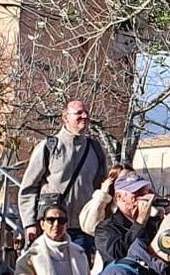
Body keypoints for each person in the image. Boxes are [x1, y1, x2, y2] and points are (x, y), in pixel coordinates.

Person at [18, 100, 110, 235]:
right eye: (79, 113)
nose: (84, 116)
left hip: (84, 229)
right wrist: (30, 224)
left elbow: (102, 188)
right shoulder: (49, 147)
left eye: (86, 113)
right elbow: (29, 187)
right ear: (65, 118)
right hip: (51, 227)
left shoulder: (95, 149)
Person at [11, 204, 92, 275]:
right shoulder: (31, 256)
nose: (56, 224)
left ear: (66, 224)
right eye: (51, 220)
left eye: (61, 220)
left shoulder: (80, 253)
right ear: (42, 224)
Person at [93, 172, 162, 275]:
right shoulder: (105, 228)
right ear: (119, 197)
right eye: (138, 194)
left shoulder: (154, 224)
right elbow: (117, 256)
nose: (145, 198)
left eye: (147, 193)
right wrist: (140, 222)